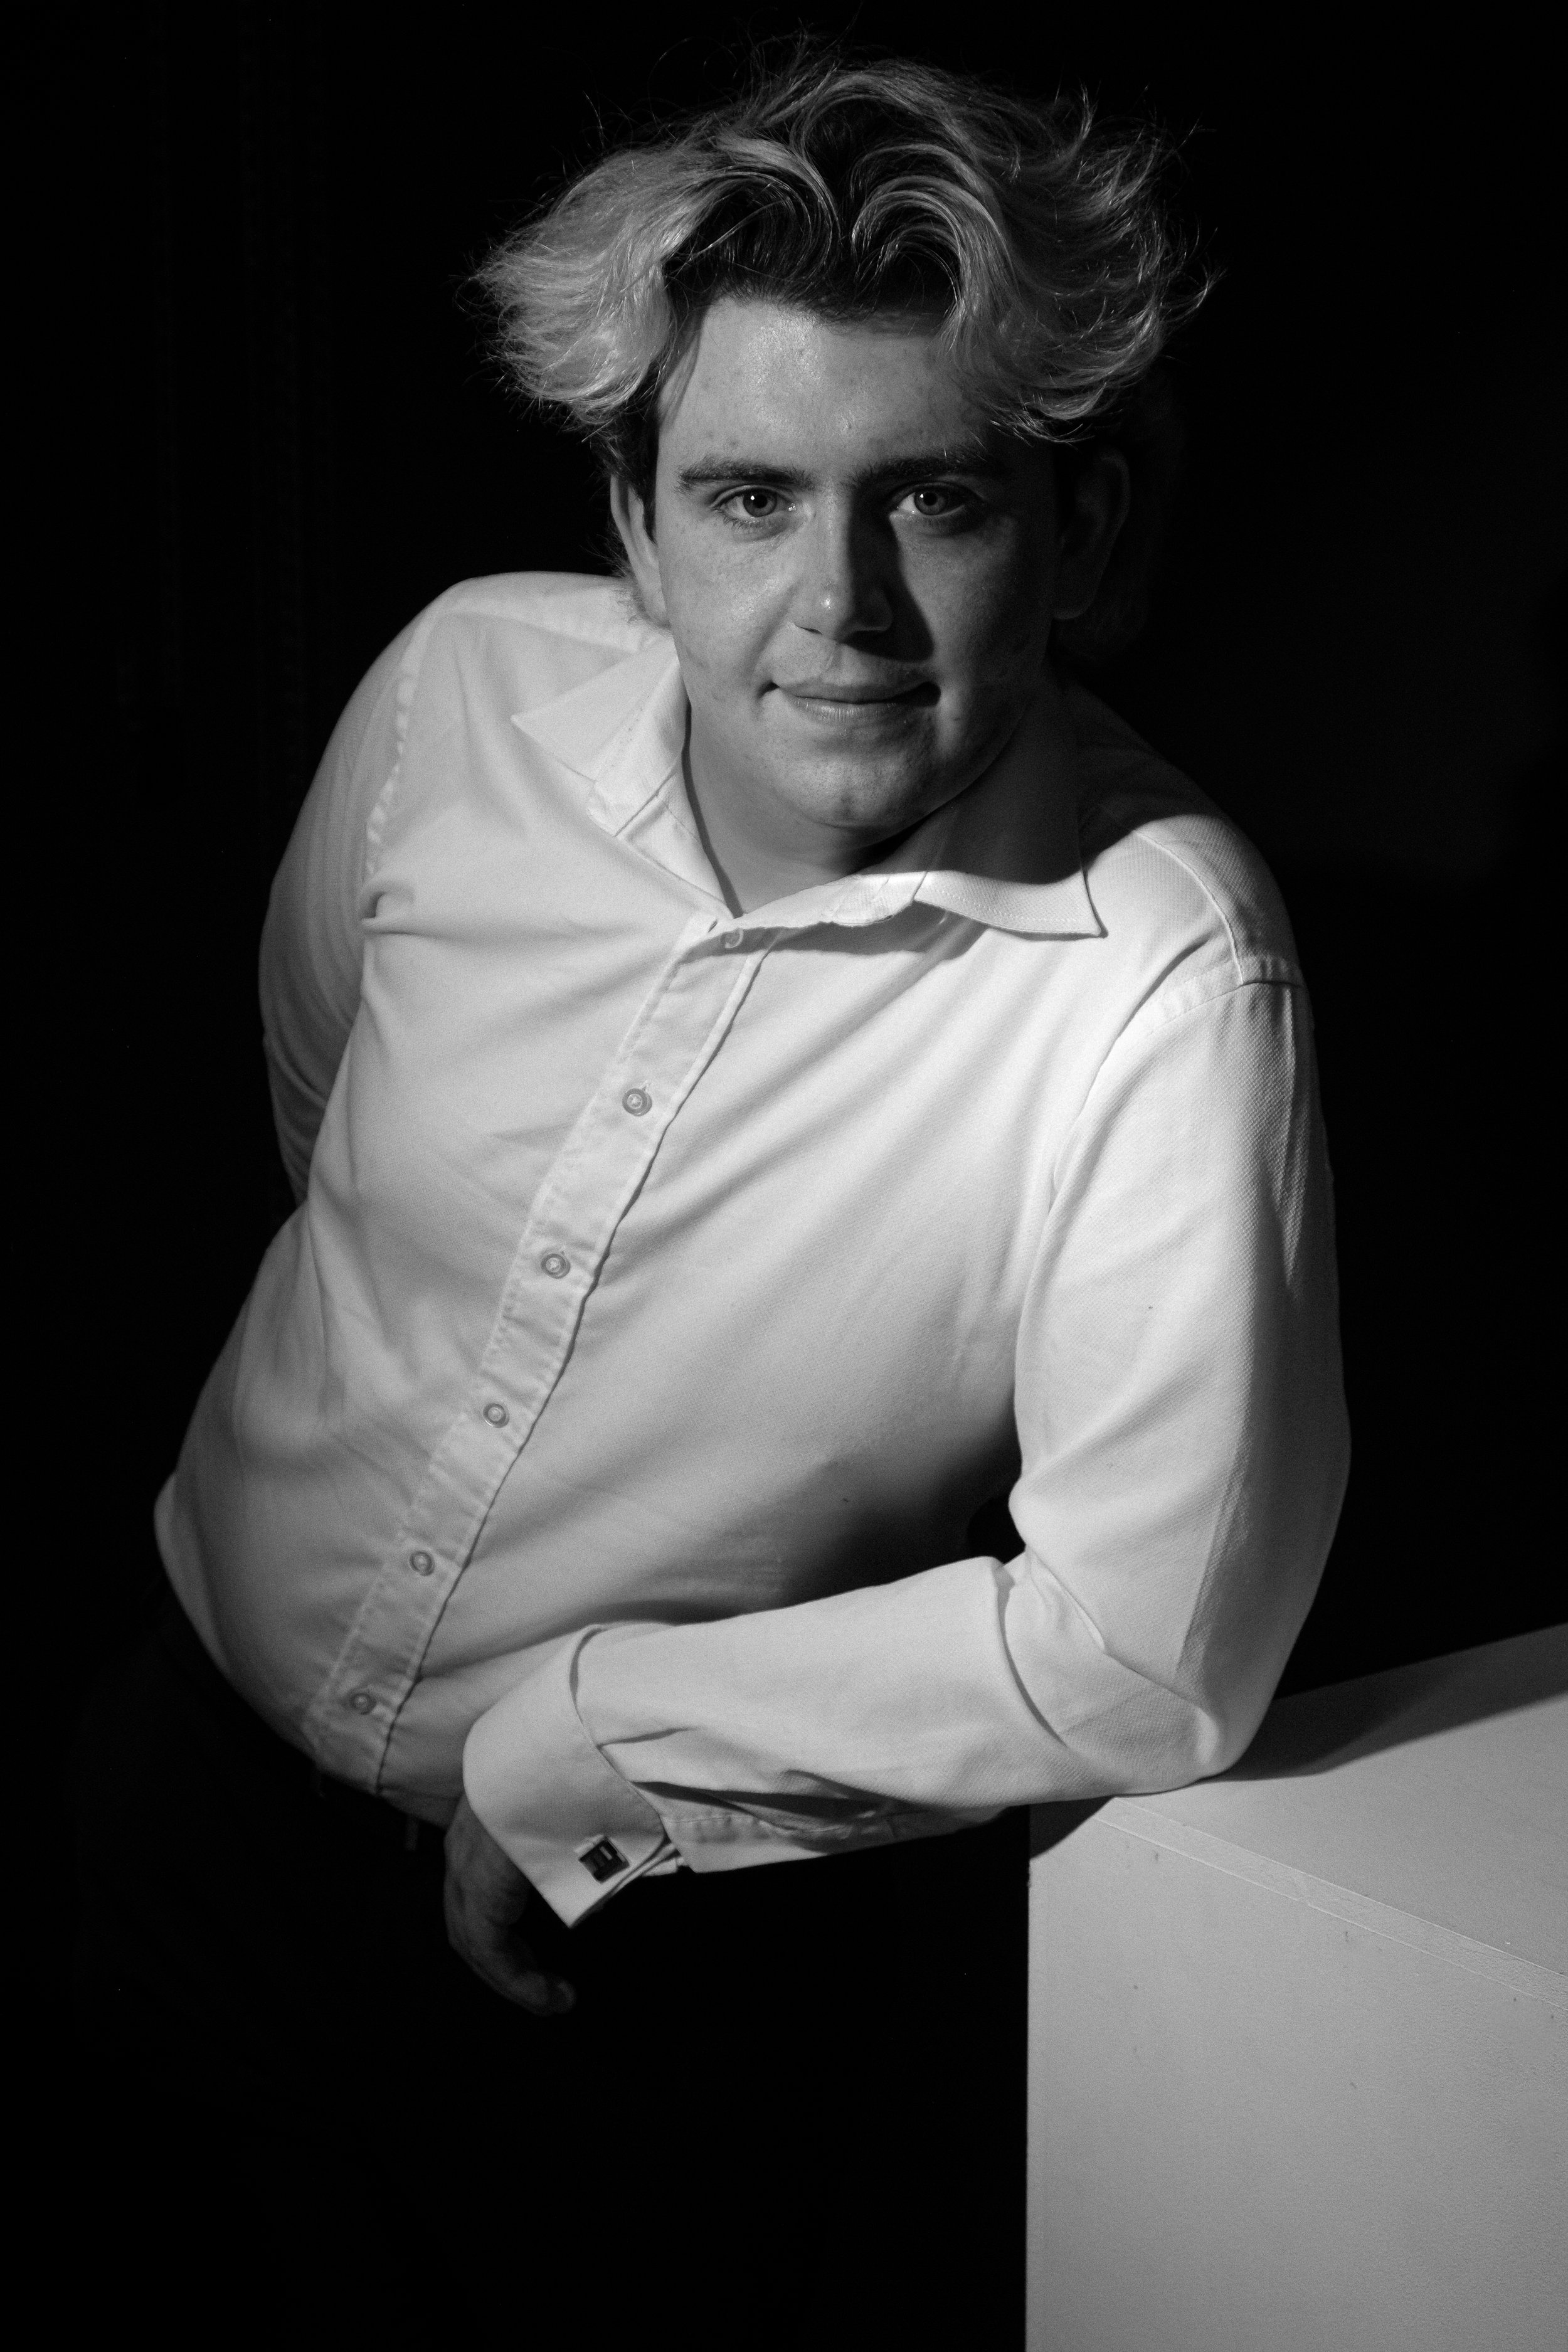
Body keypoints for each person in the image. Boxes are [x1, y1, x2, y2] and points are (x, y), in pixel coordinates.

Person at [74, 48, 1348, 2344]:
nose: (837, 601)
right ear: (637, 521)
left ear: (1074, 528)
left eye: (934, 501)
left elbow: (1151, 1643)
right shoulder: (456, 689)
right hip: (168, 1776)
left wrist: (594, 1745)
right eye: (752, 497)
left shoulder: (1168, 972)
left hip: (602, 1955)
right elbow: (312, 1108)